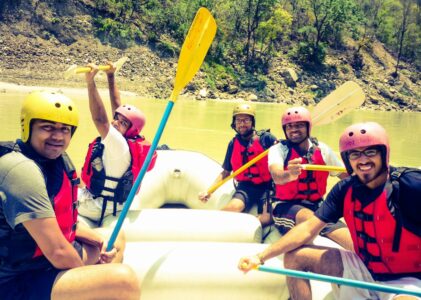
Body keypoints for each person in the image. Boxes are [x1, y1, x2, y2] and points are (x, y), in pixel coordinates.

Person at [239, 122, 421, 300]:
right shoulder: (345, 189)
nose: (363, 159)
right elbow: (308, 228)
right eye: (355, 154)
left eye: (370, 152)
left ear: (384, 153)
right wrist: (260, 257)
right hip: (363, 267)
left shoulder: (409, 185)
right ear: (347, 160)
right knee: (295, 257)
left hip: (406, 279)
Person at [0, 91, 140, 299]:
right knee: (123, 280)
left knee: (114, 237)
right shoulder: (20, 170)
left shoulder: (56, 161)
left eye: (64, 129)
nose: (57, 136)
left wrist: (98, 242)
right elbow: (57, 251)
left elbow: (62, 221)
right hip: (18, 280)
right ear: (27, 127)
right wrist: (94, 278)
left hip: (45, 263)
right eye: (47, 127)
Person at [79, 61, 157, 226]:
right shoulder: (128, 140)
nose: (115, 123)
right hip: (113, 204)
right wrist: (111, 75)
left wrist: (90, 82)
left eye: (123, 123)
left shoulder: (120, 146)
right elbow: (117, 107)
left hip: (98, 207)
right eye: (116, 118)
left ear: (130, 130)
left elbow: (100, 119)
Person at [268, 106, 352, 249]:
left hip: (319, 206)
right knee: (311, 218)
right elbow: (277, 176)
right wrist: (289, 174)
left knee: (349, 236)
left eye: (299, 125)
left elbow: (345, 177)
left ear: (308, 127)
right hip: (285, 206)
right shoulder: (278, 149)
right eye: (289, 126)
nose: (294, 130)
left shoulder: (322, 149)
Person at [199, 104, 277, 225]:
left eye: (246, 120)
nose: (242, 124)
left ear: (252, 122)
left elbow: (284, 154)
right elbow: (226, 172)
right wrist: (209, 191)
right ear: (234, 123)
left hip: (267, 186)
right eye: (238, 120)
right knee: (233, 208)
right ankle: (208, 224)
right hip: (246, 187)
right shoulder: (233, 144)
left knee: (267, 217)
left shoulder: (266, 138)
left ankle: (249, 227)